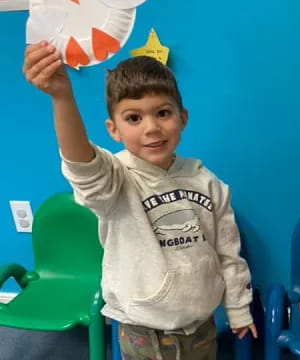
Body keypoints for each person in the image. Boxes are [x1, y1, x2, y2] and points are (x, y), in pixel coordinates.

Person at [22, 41, 257, 360]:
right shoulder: (116, 178)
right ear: (113, 129)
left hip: (201, 325)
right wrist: (62, 96)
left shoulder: (209, 182)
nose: (152, 128)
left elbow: (228, 253)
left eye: (162, 113)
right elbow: (83, 166)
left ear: (182, 117)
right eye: (134, 118)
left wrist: (238, 309)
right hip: (142, 329)